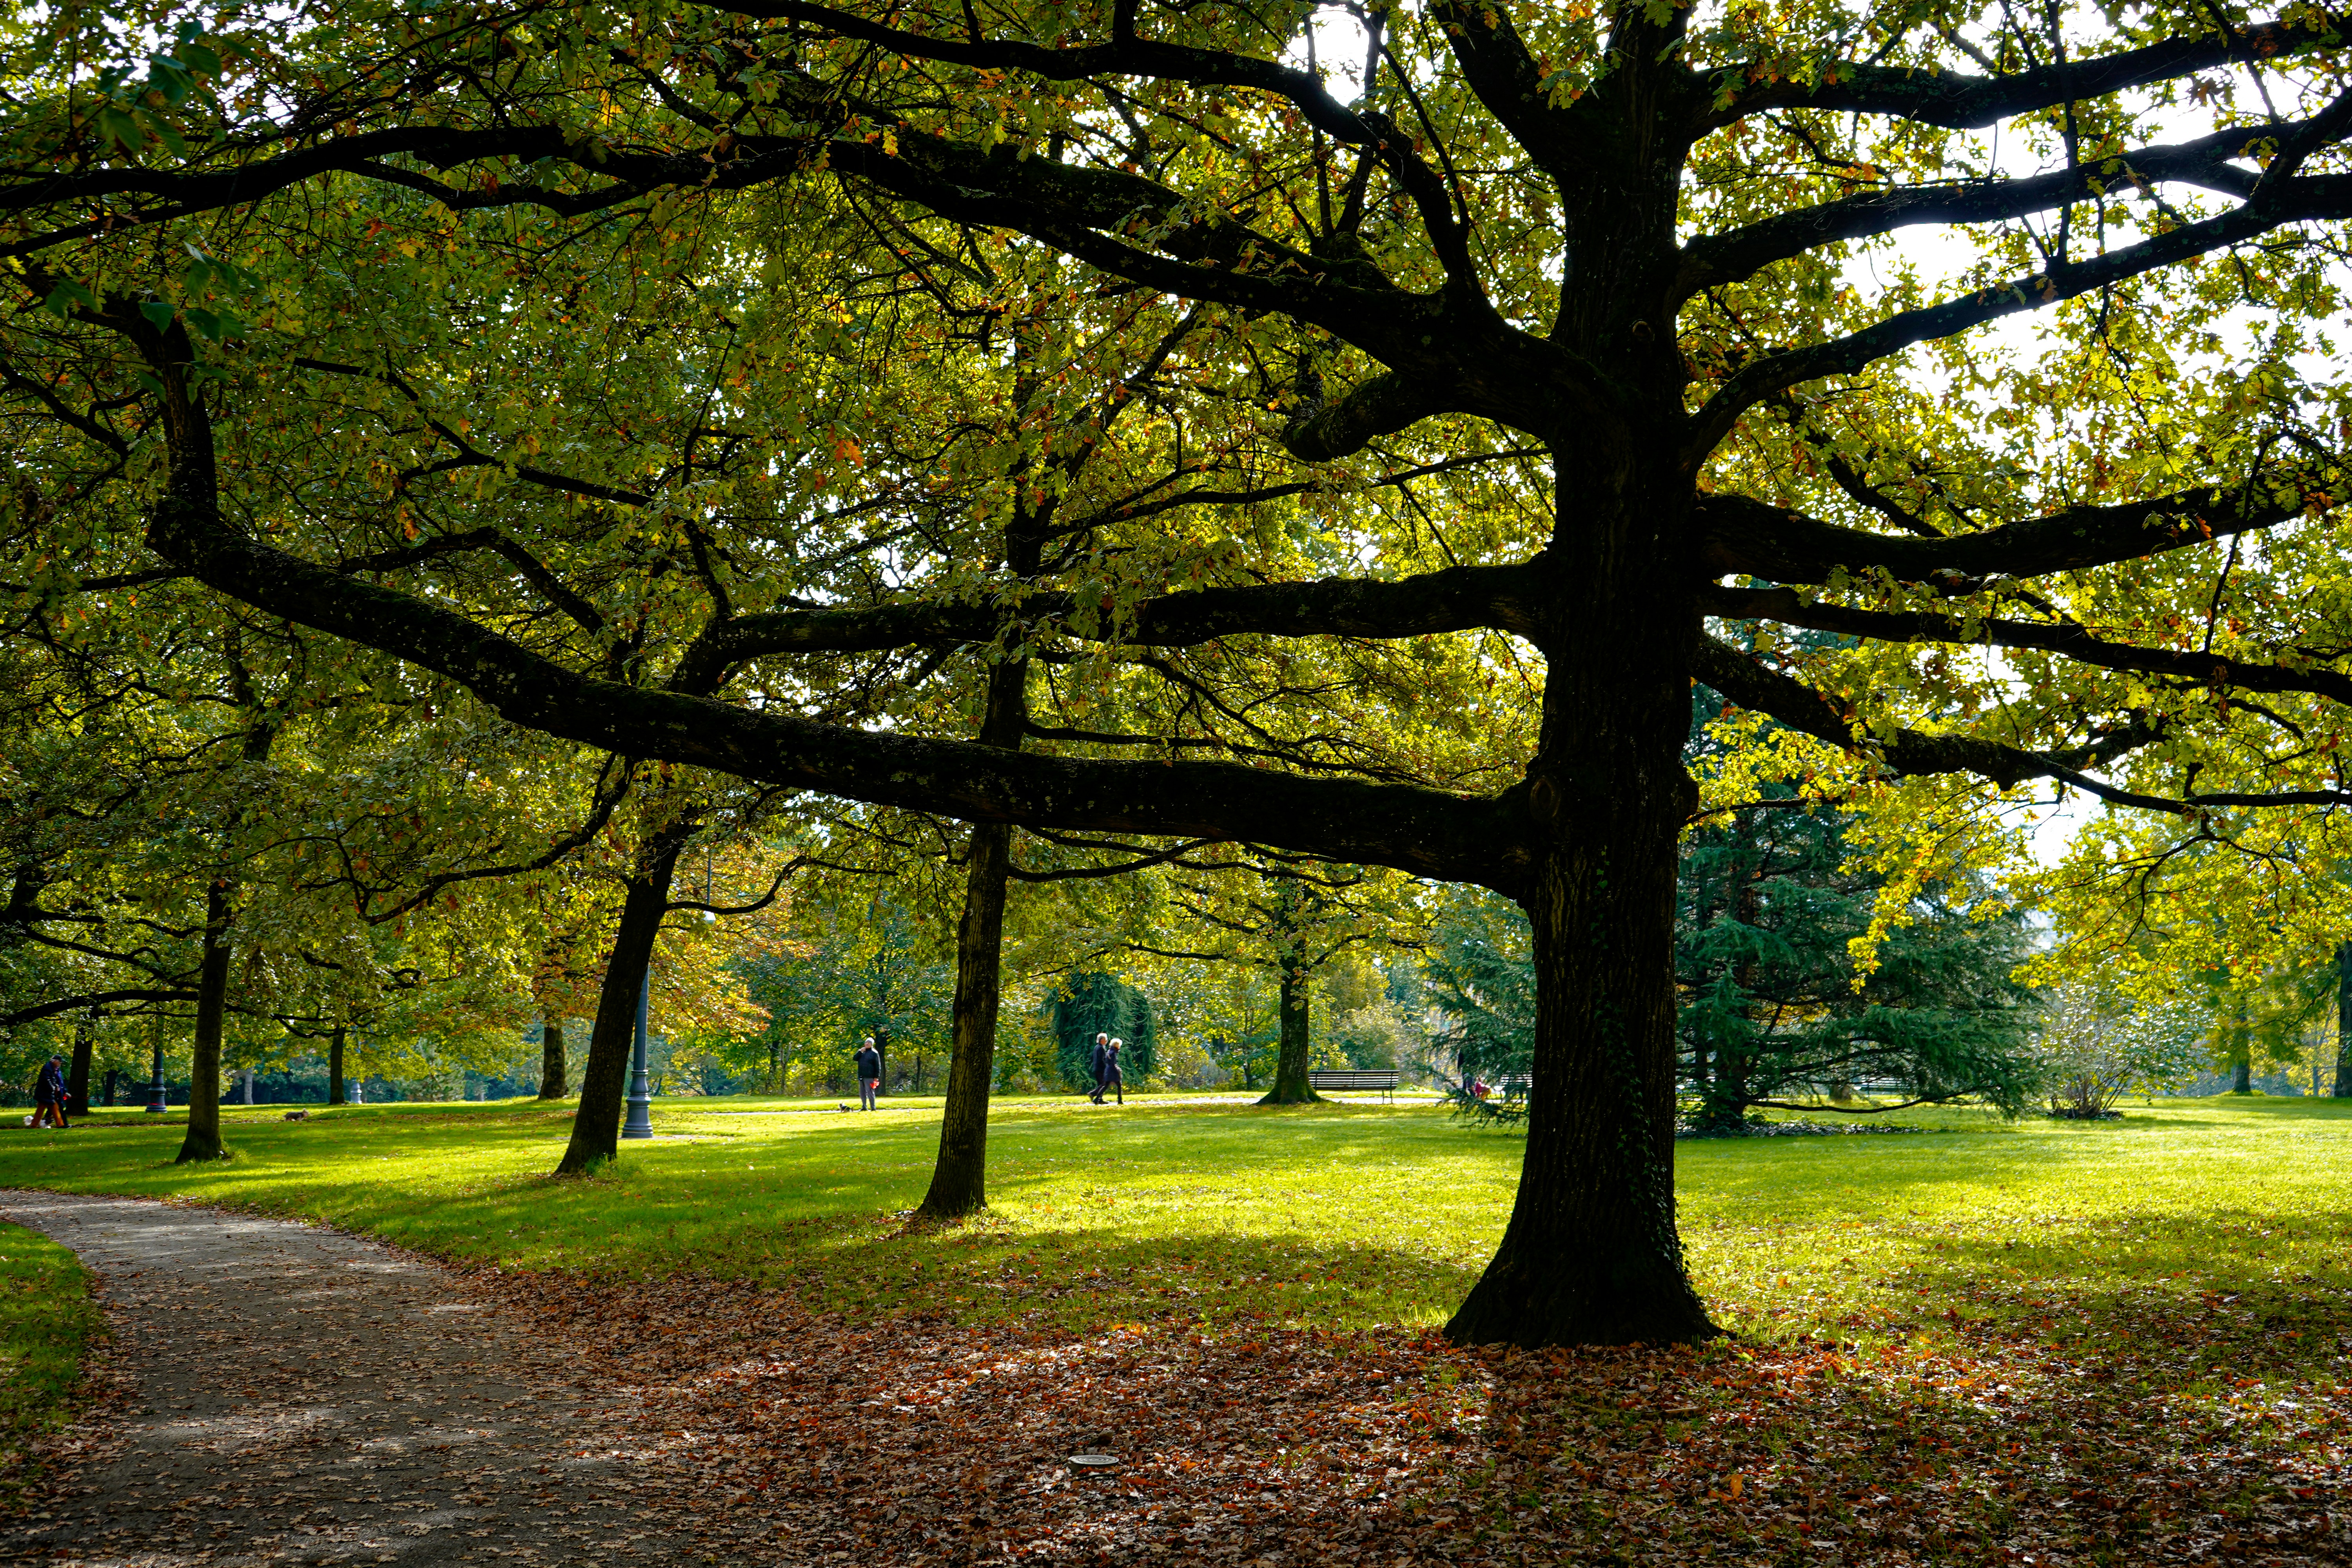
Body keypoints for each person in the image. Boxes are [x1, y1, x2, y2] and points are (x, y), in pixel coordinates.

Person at [33, 1055, 69, 1129]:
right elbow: (47, 1080)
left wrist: (56, 1087)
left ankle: (61, 1125)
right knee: (49, 1109)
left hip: (47, 1094)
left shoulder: (52, 1068)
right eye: (60, 1062)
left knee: (53, 1108)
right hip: (45, 1094)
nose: (60, 1064)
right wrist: (53, 1088)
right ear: (55, 1061)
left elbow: (54, 1080)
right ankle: (61, 1125)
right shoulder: (48, 1068)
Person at [855, 1037, 881, 1111]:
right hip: (861, 1076)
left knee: (870, 1093)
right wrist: (860, 1052)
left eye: (869, 1043)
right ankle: (864, 1107)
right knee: (862, 1093)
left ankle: (873, 1108)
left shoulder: (874, 1053)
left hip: (870, 1076)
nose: (867, 1044)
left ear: (872, 1044)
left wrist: (876, 1077)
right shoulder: (862, 1052)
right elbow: (855, 1059)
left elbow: (878, 1066)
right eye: (866, 1043)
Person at [1101, 1037, 1125, 1106]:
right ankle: (1120, 1100)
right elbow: (1113, 1063)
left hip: (1108, 1070)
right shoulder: (1114, 1053)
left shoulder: (1109, 1051)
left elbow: (1106, 1061)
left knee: (1106, 1085)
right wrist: (1118, 1070)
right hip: (1113, 1071)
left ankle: (1097, 1099)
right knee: (1119, 1085)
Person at [1088, 1032, 1111, 1103]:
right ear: (1101, 1040)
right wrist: (1107, 1067)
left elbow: (1092, 1058)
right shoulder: (1101, 1048)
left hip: (1096, 1068)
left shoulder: (1096, 1048)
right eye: (1105, 1039)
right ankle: (1093, 1093)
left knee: (1100, 1084)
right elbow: (1102, 1060)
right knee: (1104, 1084)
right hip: (1101, 1069)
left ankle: (1099, 1100)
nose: (1107, 1041)